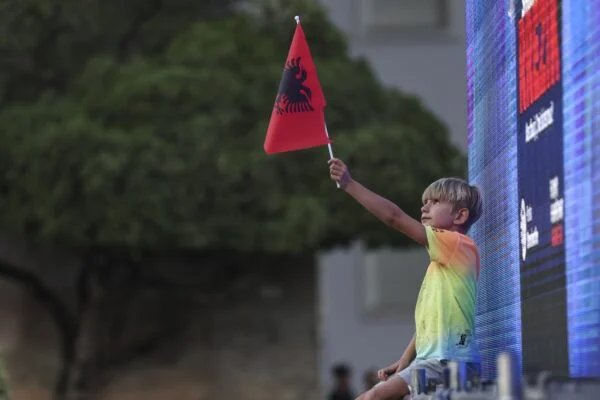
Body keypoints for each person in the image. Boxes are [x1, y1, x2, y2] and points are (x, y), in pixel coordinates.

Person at [328, 158, 483, 400]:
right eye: (424, 202)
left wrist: (349, 184)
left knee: (371, 398)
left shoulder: (457, 244)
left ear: (460, 215)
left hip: (449, 361)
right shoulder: (441, 264)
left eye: (435, 201)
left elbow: (394, 217)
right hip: (435, 361)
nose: (424, 207)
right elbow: (429, 323)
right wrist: (405, 359)